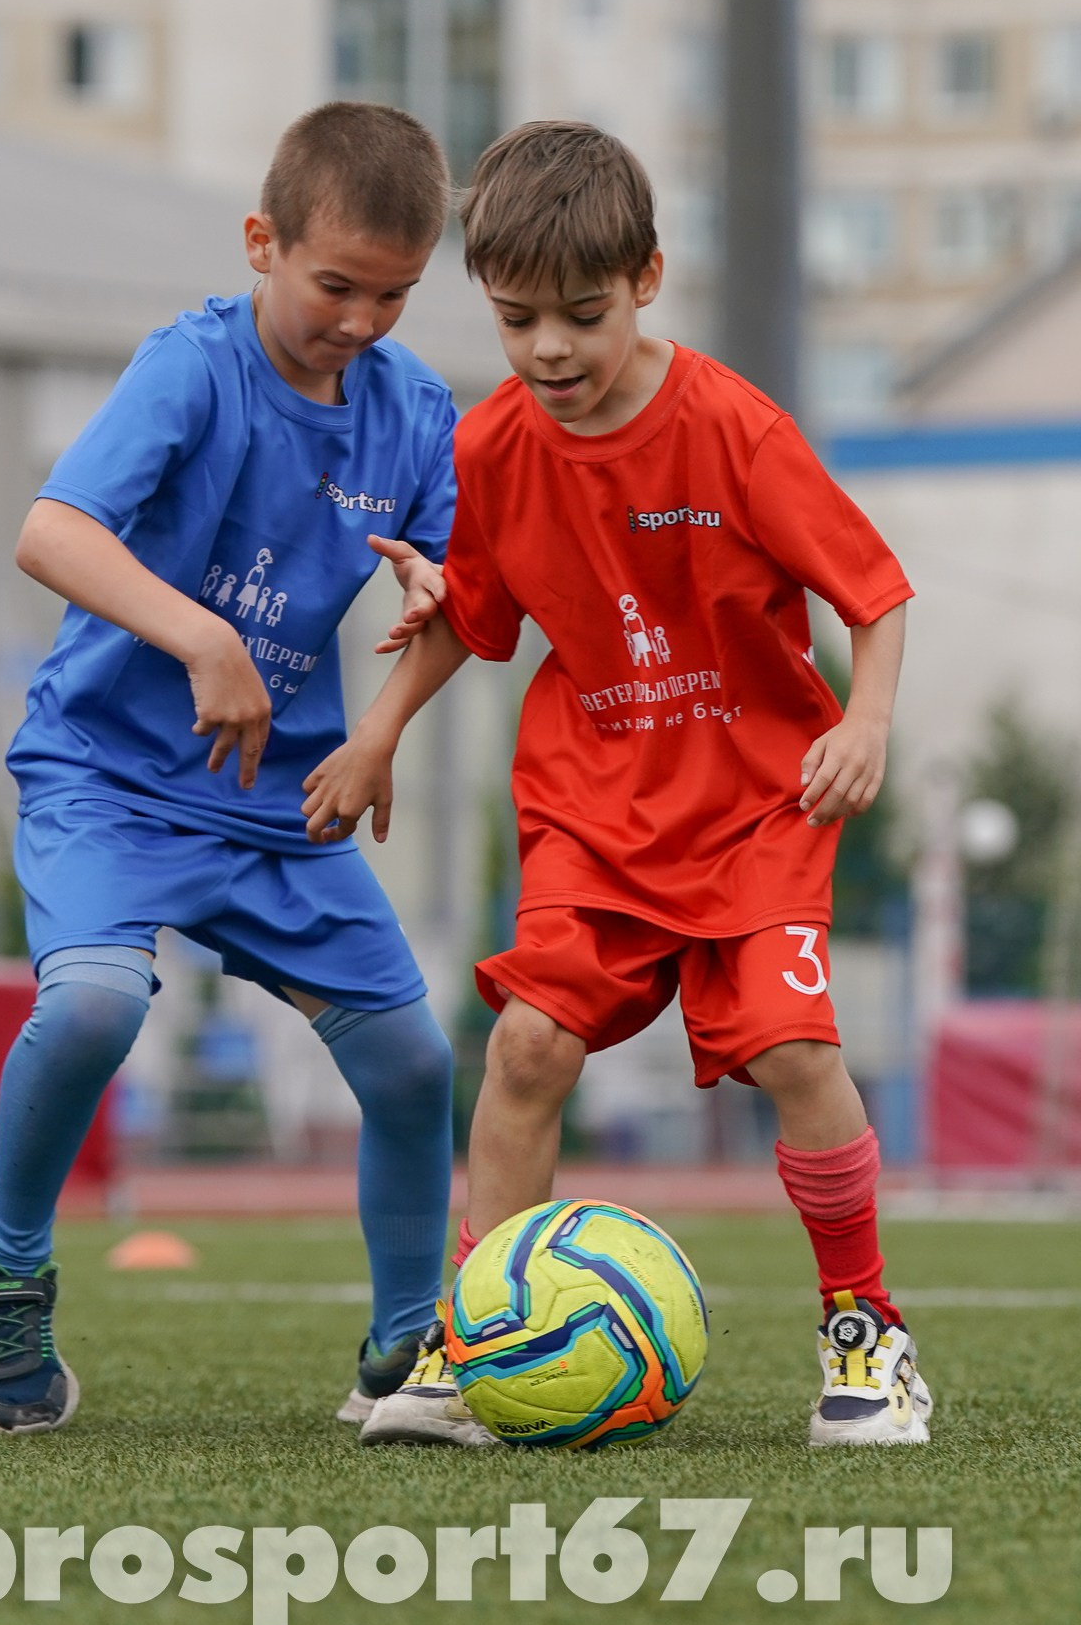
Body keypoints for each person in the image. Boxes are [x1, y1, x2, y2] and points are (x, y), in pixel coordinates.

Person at [302, 119, 932, 1450]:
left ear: (647, 278)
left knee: (796, 1049)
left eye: (582, 316)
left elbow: (873, 594)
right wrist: (378, 734)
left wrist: (867, 722)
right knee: (528, 1046)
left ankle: (867, 1332)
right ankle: (476, 1341)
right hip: (592, 809)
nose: (550, 350)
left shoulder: (735, 429)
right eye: (517, 319)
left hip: (756, 808)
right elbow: (474, 619)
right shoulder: (491, 448)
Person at [0, 102, 472, 1438]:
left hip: (279, 805)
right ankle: (6, 1276)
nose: (361, 320)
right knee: (93, 1008)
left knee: (415, 1066)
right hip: (109, 780)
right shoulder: (191, 367)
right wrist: (204, 637)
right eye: (335, 285)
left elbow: (457, 603)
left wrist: (383, 724)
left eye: (394, 296)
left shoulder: (416, 412)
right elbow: (51, 532)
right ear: (261, 242)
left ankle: (407, 1350)